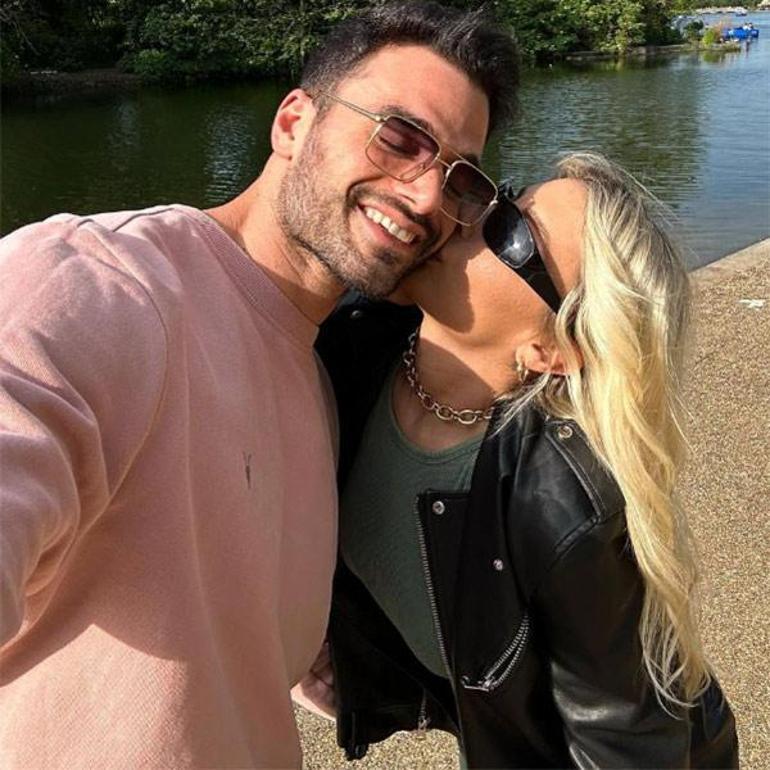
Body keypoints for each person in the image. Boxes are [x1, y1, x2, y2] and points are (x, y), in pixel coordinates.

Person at [0, 3, 519, 767]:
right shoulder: (97, 287)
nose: (423, 198)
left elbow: (243, 646)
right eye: (399, 138)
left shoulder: (322, 386)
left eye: (459, 179)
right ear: (293, 123)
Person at [309, 152, 739, 768]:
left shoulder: (566, 510)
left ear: (554, 352)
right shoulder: (356, 342)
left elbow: (626, 744)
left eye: (510, 232)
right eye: (501, 195)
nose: (462, 214)